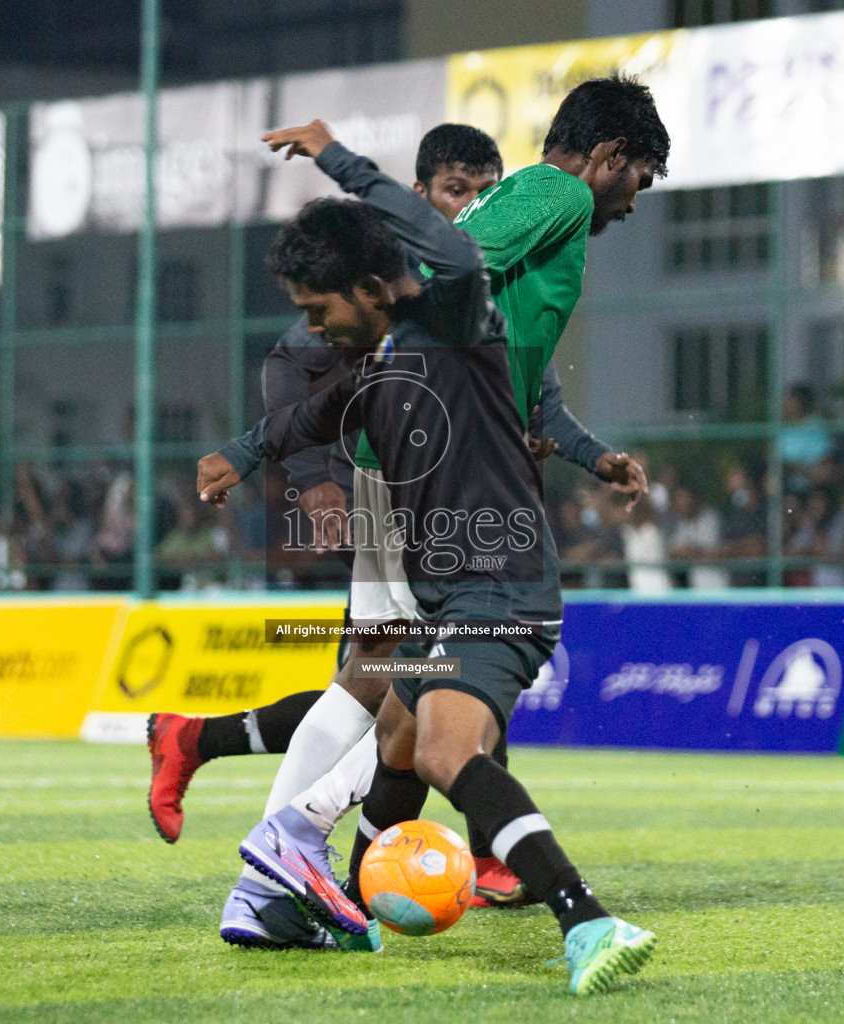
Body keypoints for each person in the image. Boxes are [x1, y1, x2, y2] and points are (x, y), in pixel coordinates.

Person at [152, 121, 649, 946]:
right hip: (466, 567)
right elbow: (306, 399)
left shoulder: (456, 297)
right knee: (398, 712)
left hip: (486, 568)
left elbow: (460, 279)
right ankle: (301, 866)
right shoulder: (392, 343)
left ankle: (290, 855)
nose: (315, 327)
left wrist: (337, 159)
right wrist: (251, 456)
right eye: (458, 192)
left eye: (321, 309)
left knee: (393, 703)